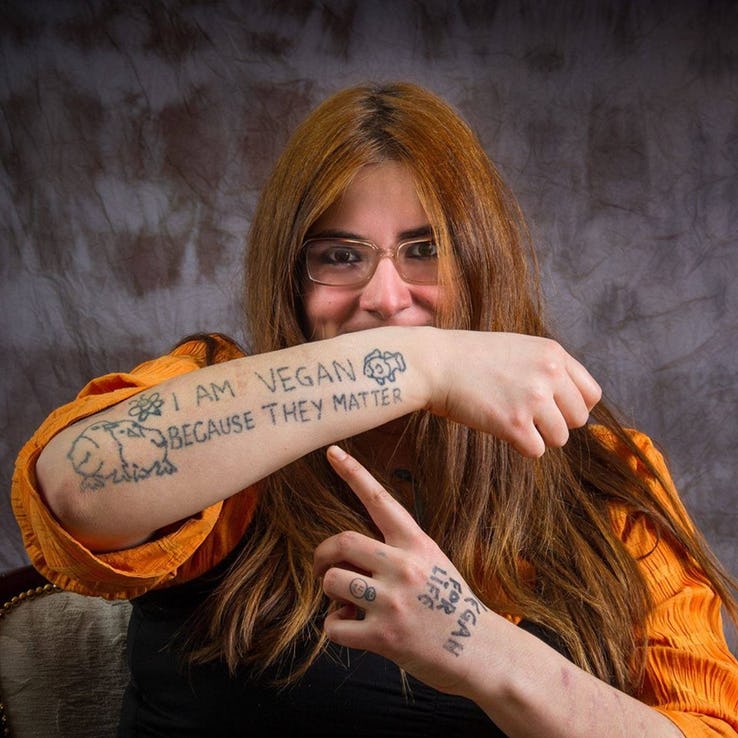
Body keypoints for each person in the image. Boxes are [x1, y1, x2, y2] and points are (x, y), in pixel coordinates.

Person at [12, 82, 738, 737]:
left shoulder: (606, 475)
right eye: (340, 256)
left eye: (425, 249)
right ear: (291, 278)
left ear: (484, 262)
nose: (386, 298)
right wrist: (421, 363)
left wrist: (479, 648)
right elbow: (75, 488)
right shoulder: (223, 396)